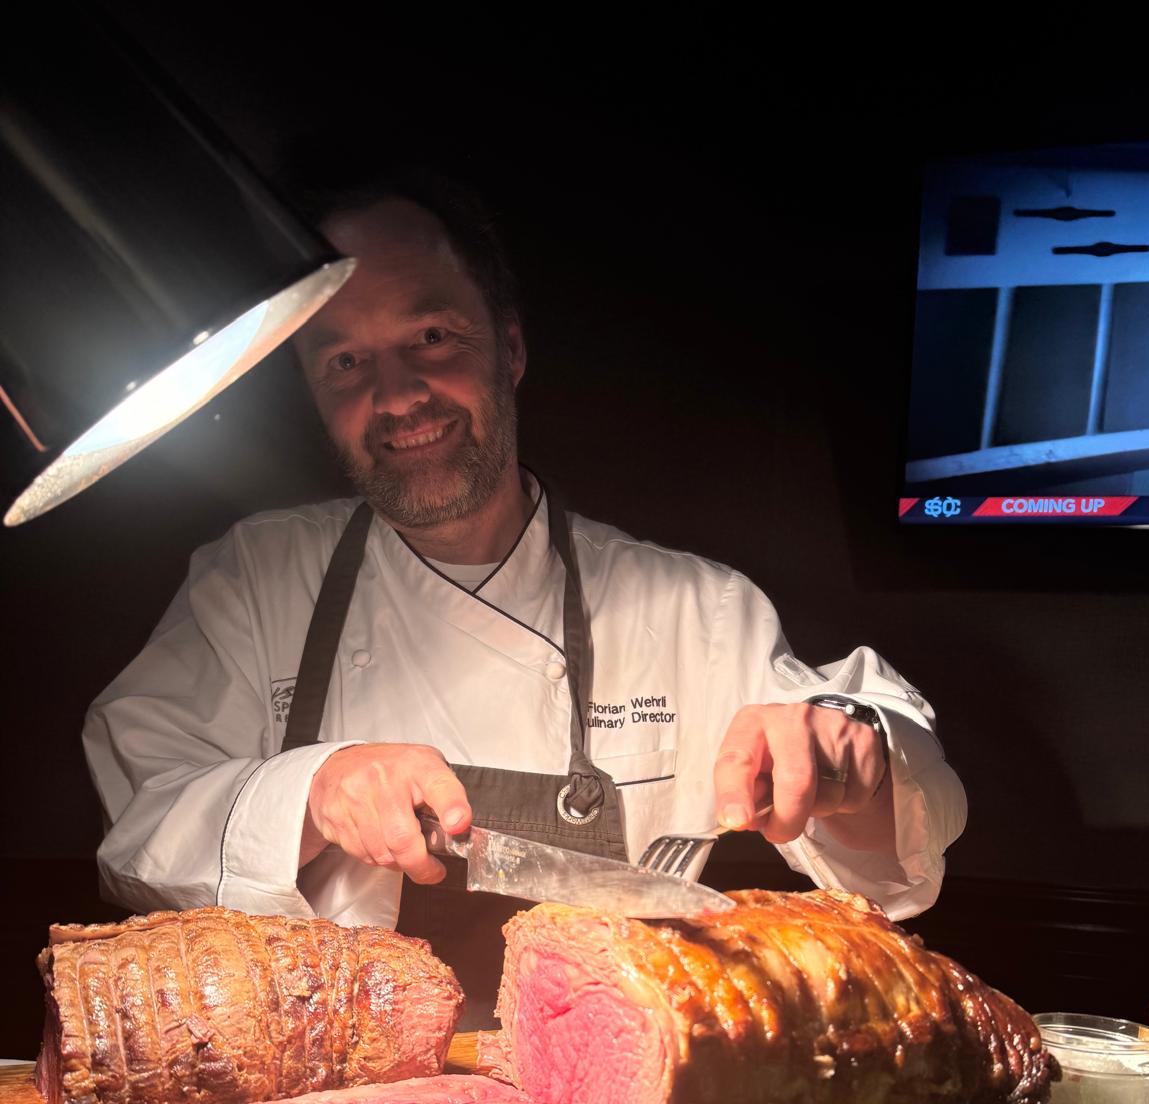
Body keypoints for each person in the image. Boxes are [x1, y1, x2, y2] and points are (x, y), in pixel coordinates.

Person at [84, 171, 967, 1026]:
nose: (395, 396)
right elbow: (140, 829)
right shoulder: (256, 580)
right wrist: (310, 790)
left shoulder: (693, 613)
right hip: (324, 1096)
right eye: (346, 360)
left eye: (431, 337)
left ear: (509, 347)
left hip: (609, 1099)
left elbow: (899, 849)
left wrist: (850, 757)